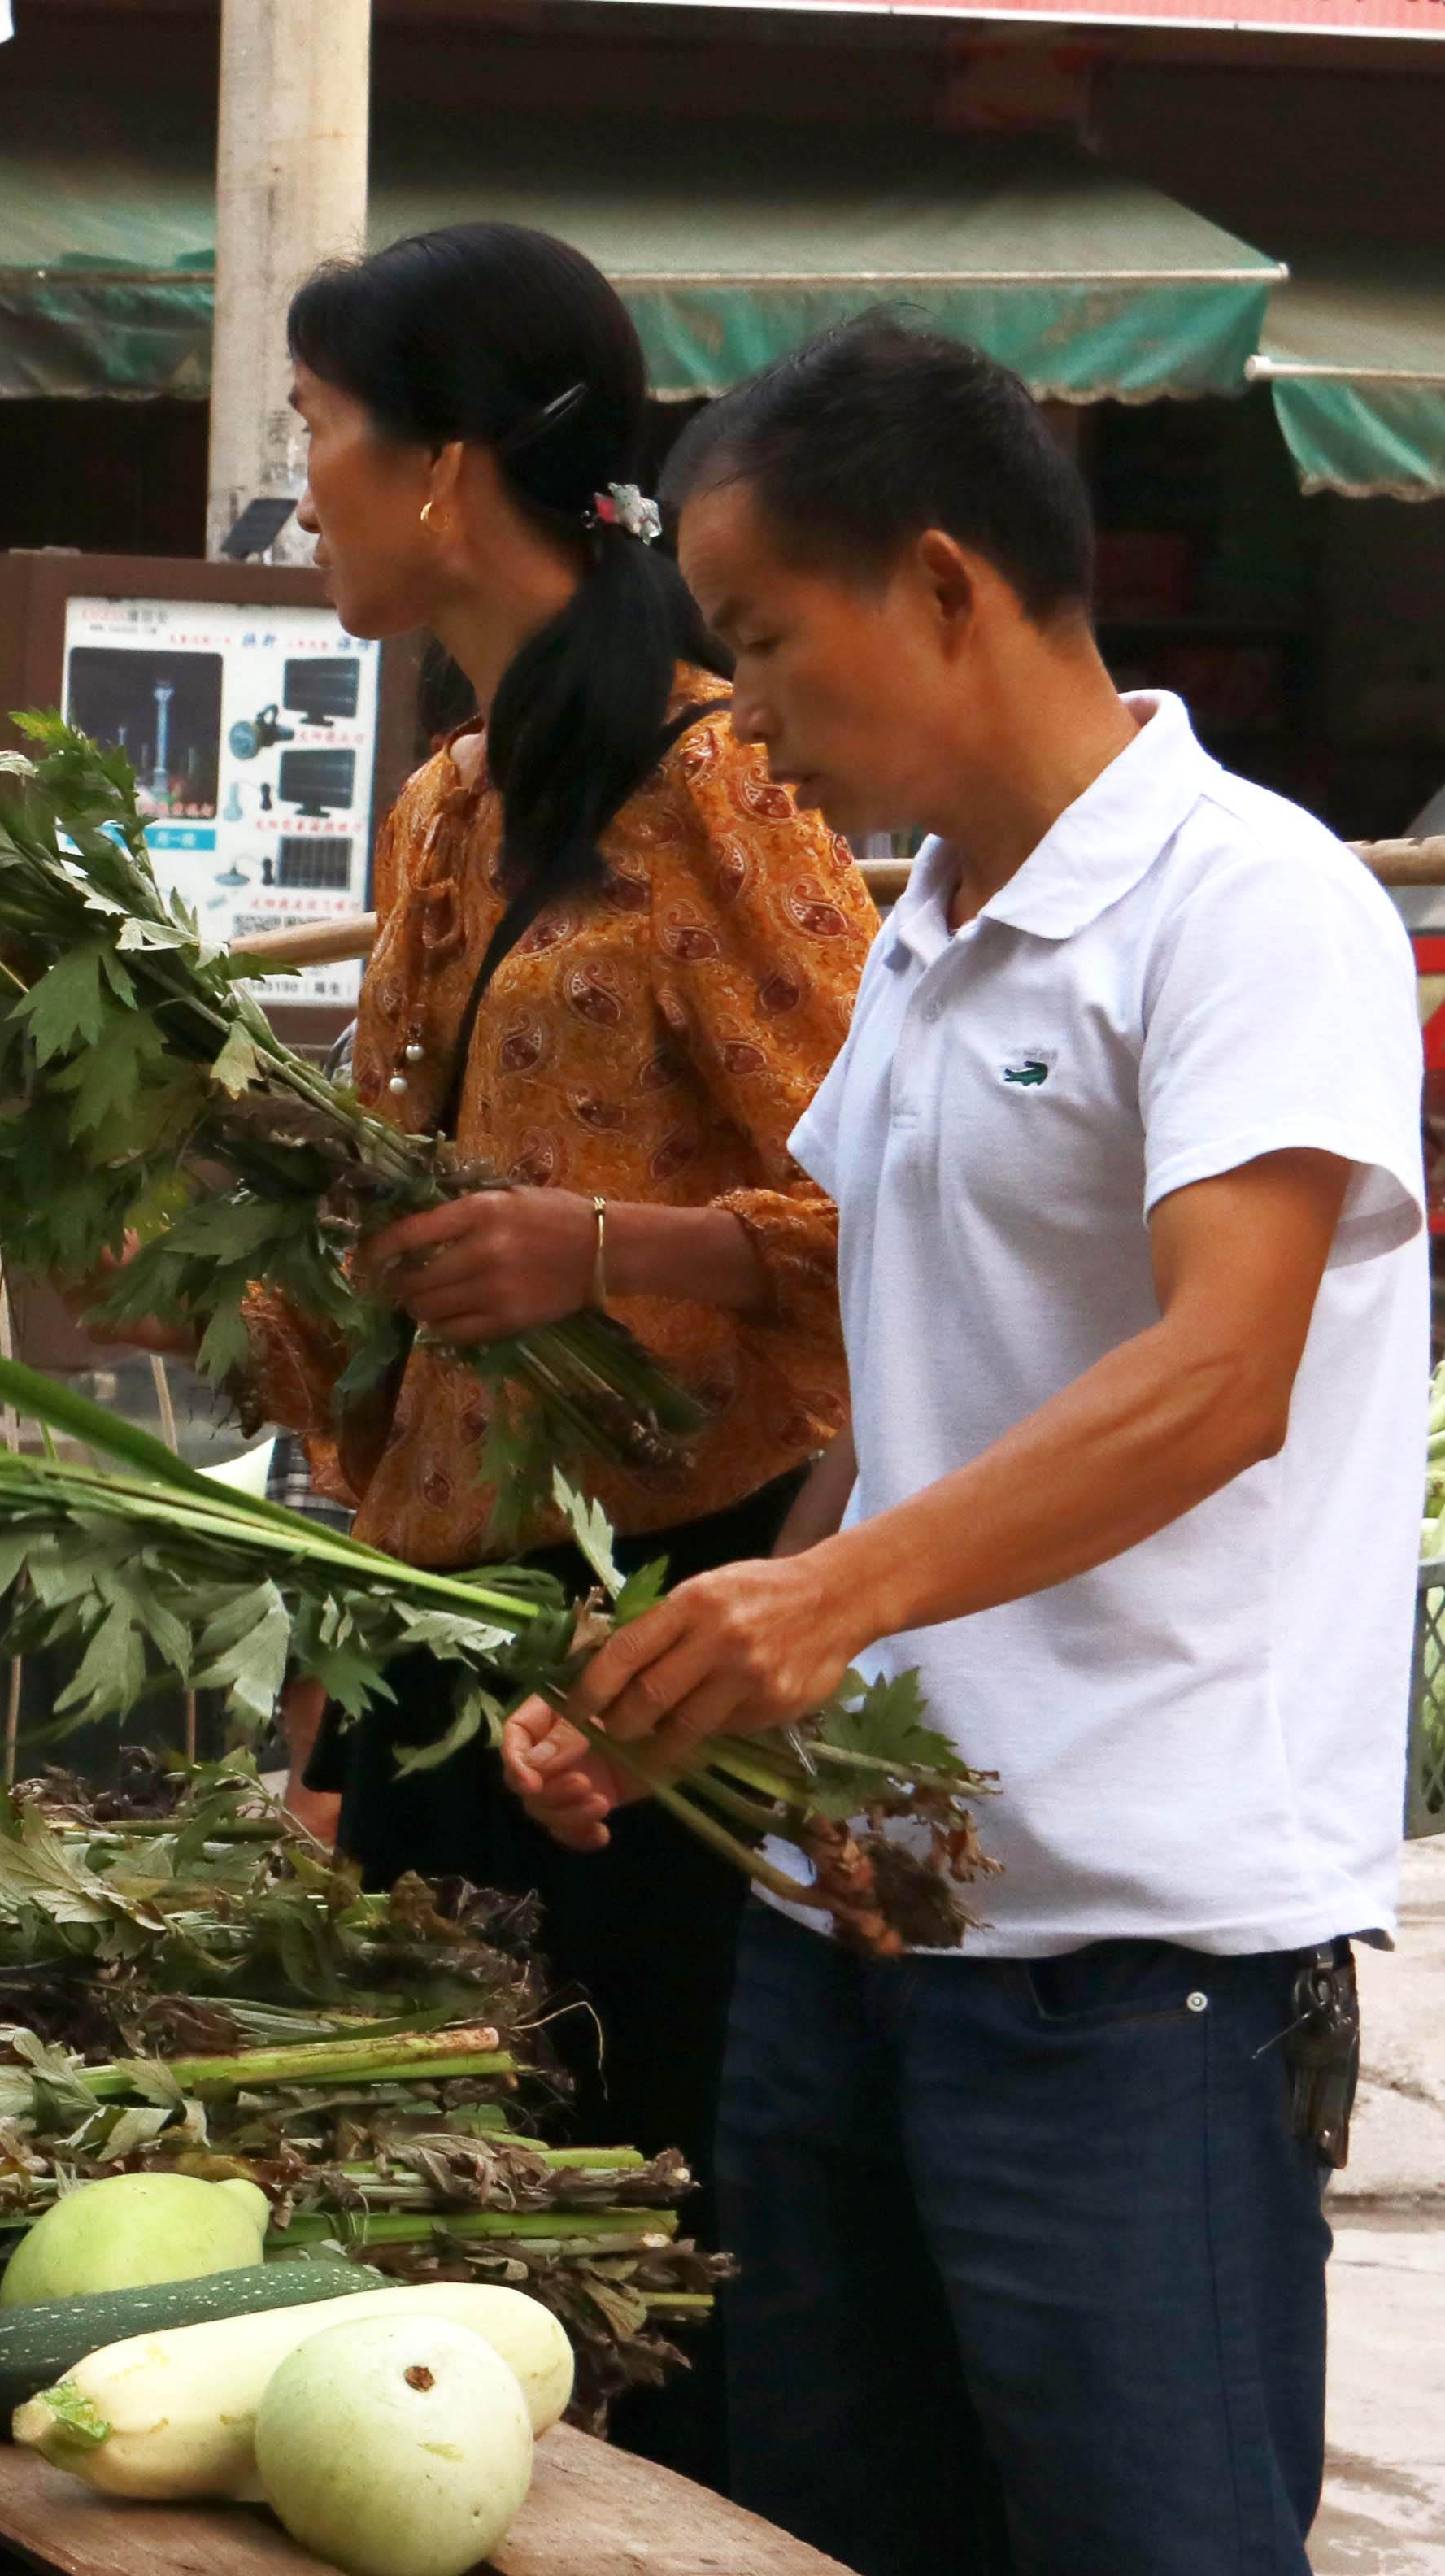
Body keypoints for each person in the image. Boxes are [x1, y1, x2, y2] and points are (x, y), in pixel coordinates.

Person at [509, 319, 1422, 2576]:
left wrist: (829, 1602)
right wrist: (683, 1672)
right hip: (860, 1914)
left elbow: (1230, 1376)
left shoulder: (1250, 900)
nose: (740, 708)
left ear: (941, 583)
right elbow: (900, 1403)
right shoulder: (923, 927)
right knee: (832, 2529)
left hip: (1134, 1961)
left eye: (762, 640)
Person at [133, 224, 881, 2476]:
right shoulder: (448, 810)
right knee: (434, 2243)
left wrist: (602, 1248)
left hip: (664, 1648)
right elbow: (388, 1228)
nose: (309, 493)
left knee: (651, 2244)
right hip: (436, 1633)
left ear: (450, 472)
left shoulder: (726, 791)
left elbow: (895, 1225)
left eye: (324, 441)